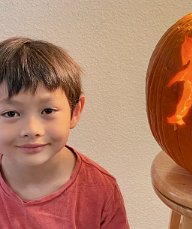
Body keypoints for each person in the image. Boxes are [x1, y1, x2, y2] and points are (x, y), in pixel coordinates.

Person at [0, 37, 129, 228]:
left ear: (75, 111)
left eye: (47, 111)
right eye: (11, 113)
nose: (31, 130)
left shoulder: (101, 190)